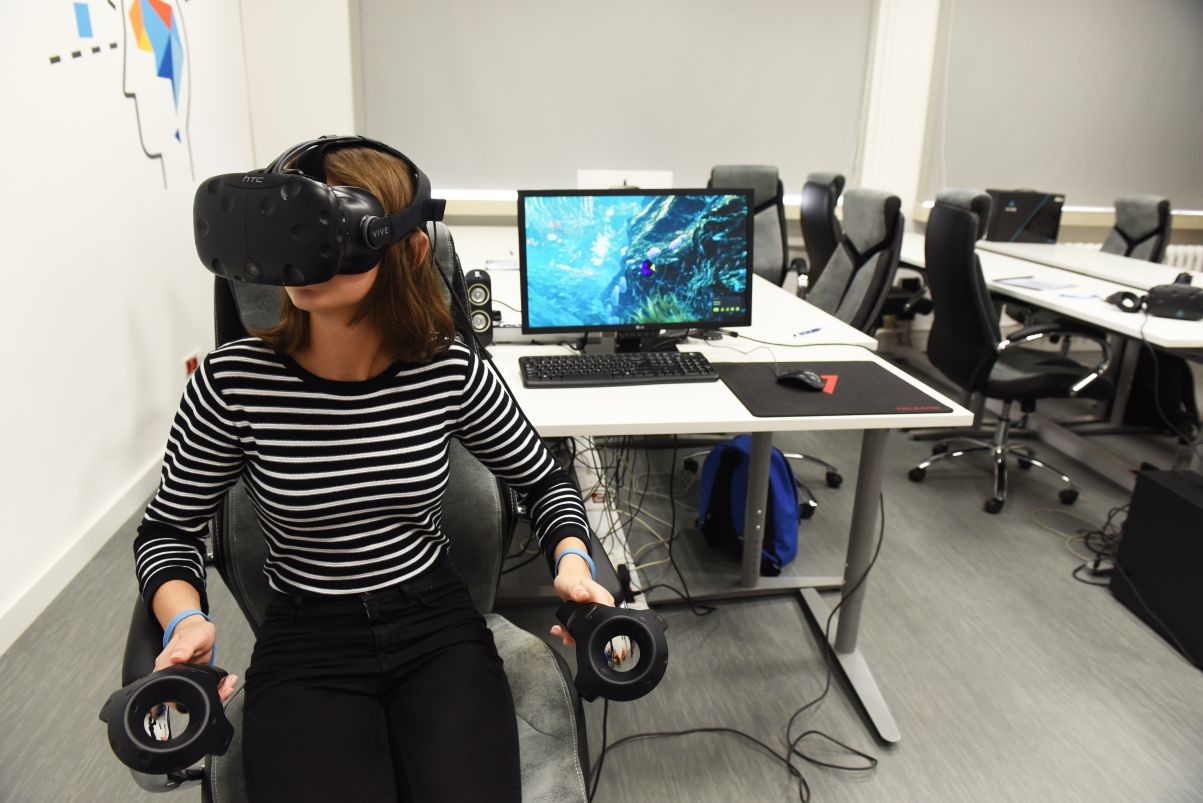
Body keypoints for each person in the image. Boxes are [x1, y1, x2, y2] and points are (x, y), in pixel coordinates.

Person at [133, 141, 613, 802]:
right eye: (289, 228)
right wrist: (184, 619)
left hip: (434, 624)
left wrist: (572, 560)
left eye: (326, 229)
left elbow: (543, 479)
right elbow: (168, 530)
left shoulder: (448, 370)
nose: (301, 252)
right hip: (306, 636)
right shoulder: (231, 384)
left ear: (409, 250)